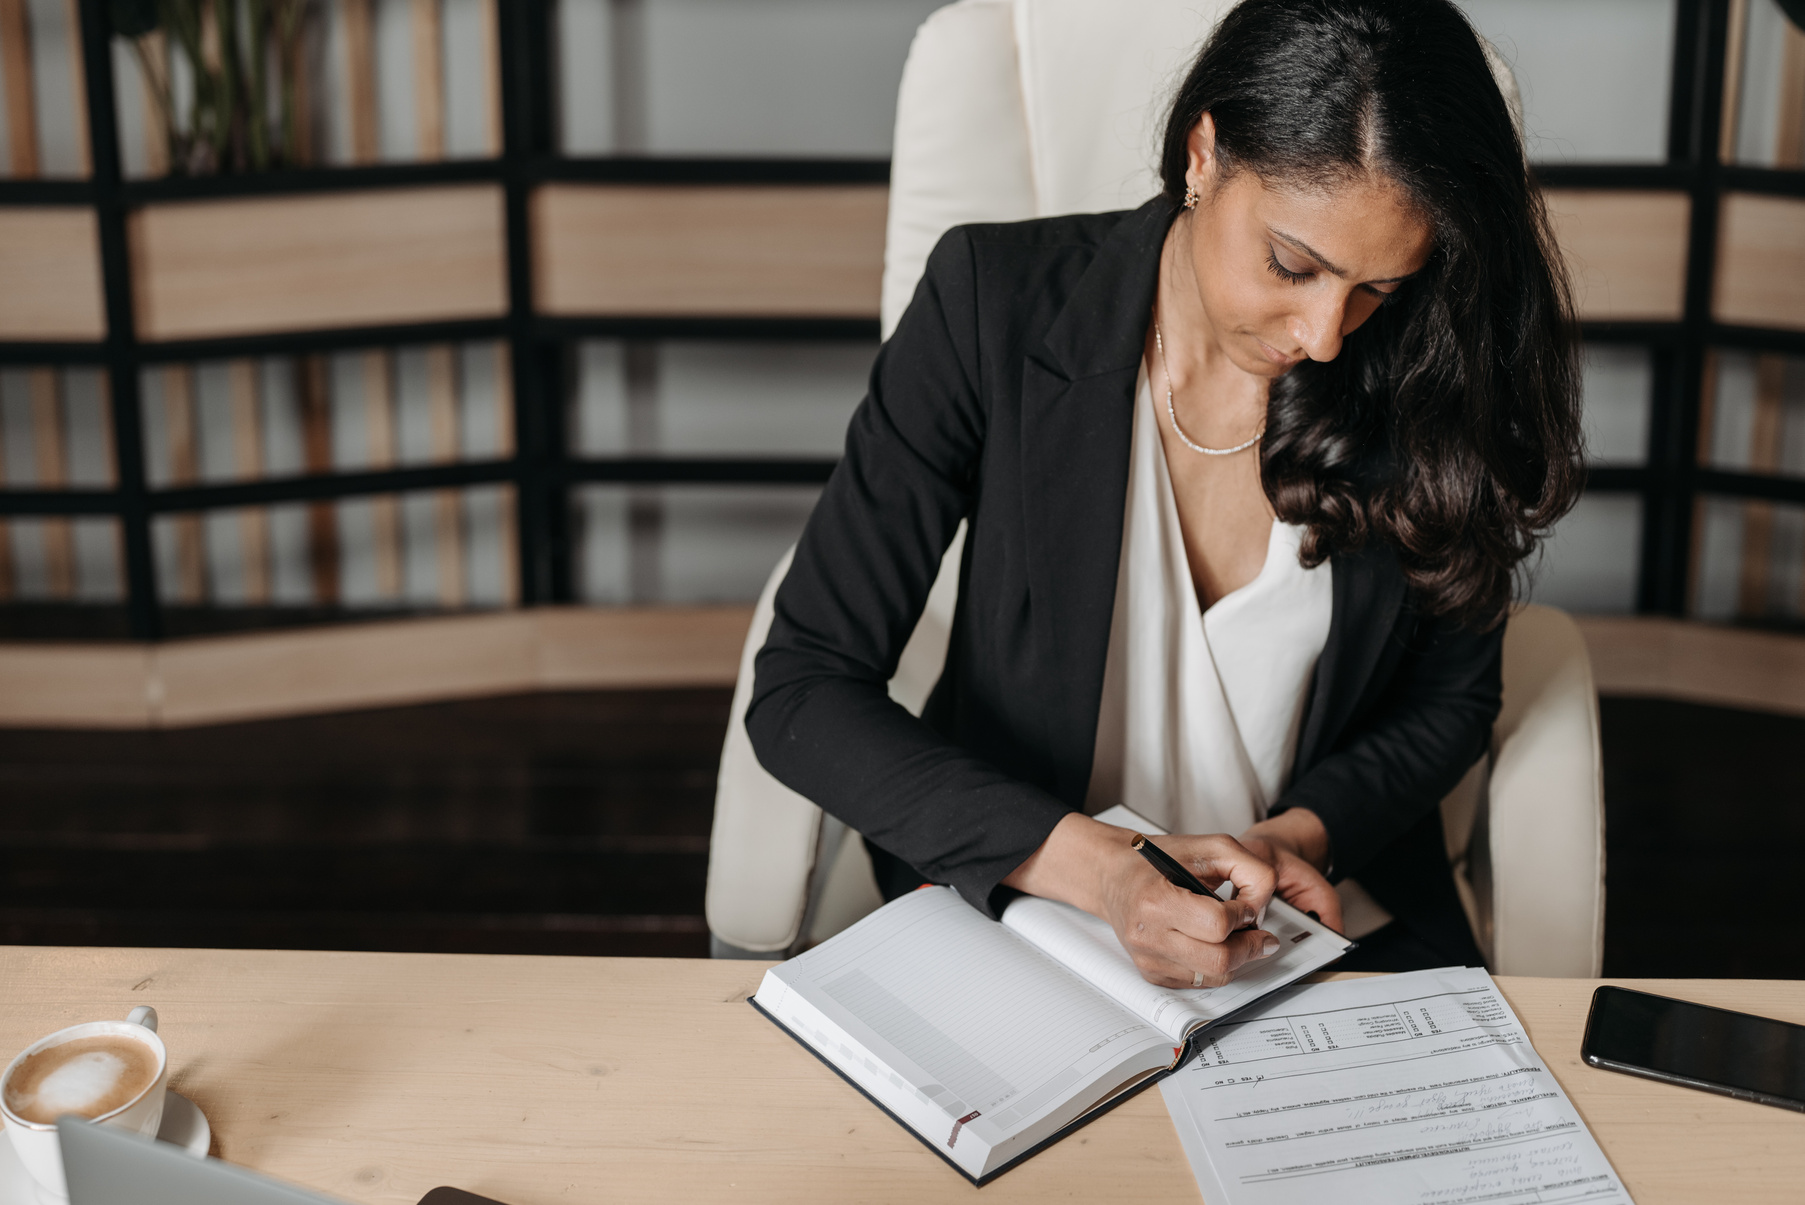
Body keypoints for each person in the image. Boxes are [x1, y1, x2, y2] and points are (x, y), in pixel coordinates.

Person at [746, 0, 1582, 984]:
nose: (1324, 333)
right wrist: (1101, 874)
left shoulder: (1423, 365)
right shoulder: (990, 303)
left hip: (1307, 928)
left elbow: (1451, 697)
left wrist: (1301, 835)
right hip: (1023, 907)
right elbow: (803, 686)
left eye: (1377, 288)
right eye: (1291, 264)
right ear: (1201, 152)